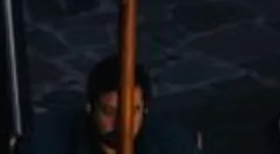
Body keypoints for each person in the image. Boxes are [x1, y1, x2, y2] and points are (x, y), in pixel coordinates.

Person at [25, 54, 201, 154]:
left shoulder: (170, 142)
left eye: (134, 111)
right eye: (110, 112)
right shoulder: (50, 145)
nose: (123, 123)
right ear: (90, 107)